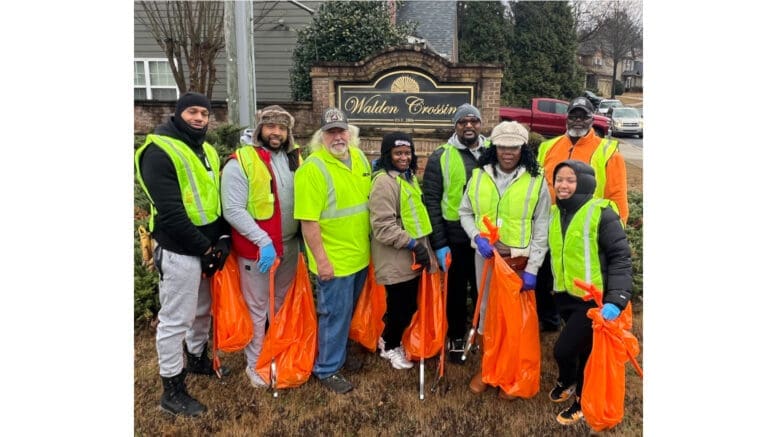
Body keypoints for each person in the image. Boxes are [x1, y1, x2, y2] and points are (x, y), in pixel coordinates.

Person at [134, 92, 232, 417]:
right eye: (192, 112)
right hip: (178, 250)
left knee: (202, 311)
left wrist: (222, 238)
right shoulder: (158, 152)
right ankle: (172, 390)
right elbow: (172, 213)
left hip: (205, 248)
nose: (200, 118)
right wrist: (206, 248)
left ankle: (197, 358)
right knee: (175, 321)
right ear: (178, 114)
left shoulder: (206, 151)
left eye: (204, 113)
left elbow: (214, 201)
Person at [458, 121, 550, 399]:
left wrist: (533, 268)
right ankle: (488, 369)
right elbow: (465, 212)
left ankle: (511, 373)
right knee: (486, 312)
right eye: (502, 147)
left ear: (523, 149)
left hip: (517, 261)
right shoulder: (478, 176)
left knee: (513, 319)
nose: (508, 153)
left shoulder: (536, 180)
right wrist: (477, 237)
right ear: (494, 148)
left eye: (514, 148)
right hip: (487, 258)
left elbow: (542, 226)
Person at [220, 105, 302, 388]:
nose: (276, 132)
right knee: (257, 309)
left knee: (279, 304)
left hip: (289, 247)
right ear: (259, 130)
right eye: (270, 127)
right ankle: (256, 365)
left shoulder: (295, 159)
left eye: (282, 128)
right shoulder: (241, 161)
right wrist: (263, 240)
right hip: (258, 252)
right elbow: (232, 209)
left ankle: (276, 352)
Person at [546, 160, 632, 425]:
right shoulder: (554, 213)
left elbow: (620, 257)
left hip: (593, 301)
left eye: (570, 180)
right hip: (565, 296)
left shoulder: (601, 213)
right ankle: (570, 382)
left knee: (566, 351)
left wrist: (617, 299)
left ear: (583, 182)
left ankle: (583, 402)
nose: (563, 185)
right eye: (559, 179)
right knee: (581, 349)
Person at [293, 107, 372, 394]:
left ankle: (340, 355)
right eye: (331, 132)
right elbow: (308, 222)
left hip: (360, 255)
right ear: (321, 136)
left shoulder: (359, 157)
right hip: (334, 261)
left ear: (350, 133)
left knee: (348, 312)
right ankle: (327, 368)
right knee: (334, 315)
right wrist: (322, 262)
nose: (337, 137)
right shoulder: (312, 169)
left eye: (342, 131)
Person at [534, 96, 629, 333]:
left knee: (582, 281)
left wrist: (615, 232)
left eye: (583, 116)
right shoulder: (548, 147)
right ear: (566, 118)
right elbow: (537, 187)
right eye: (573, 115)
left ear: (592, 119)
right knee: (547, 276)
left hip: (589, 228)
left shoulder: (607, 151)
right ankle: (550, 322)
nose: (578, 120)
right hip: (552, 225)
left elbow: (617, 194)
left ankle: (583, 326)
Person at [422, 103, 491, 364]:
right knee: (456, 291)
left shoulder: (494, 151)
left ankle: (483, 334)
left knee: (484, 289)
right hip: (456, 236)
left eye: (474, 121)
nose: (469, 126)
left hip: (487, 235)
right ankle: (457, 336)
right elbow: (431, 201)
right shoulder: (441, 156)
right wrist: (439, 243)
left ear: (480, 124)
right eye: (463, 122)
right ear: (456, 126)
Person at [369, 132, 437, 370]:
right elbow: (383, 227)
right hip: (395, 257)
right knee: (401, 306)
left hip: (410, 256)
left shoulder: (407, 178)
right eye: (398, 153)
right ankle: (389, 345)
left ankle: (392, 338)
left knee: (406, 304)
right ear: (387, 155)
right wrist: (413, 245)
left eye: (408, 153)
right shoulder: (383, 183)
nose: (404, 157)